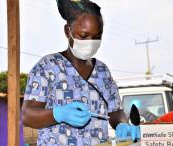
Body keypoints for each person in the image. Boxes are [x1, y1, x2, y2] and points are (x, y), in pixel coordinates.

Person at [22, 0, 140, 145]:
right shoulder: (47, 67)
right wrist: (58, 114)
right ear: (68, 31)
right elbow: (27, 115)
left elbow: (115, 112)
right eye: (84, 36)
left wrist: (122, 124)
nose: (90, 42)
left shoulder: (103, 71)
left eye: (97, 37)